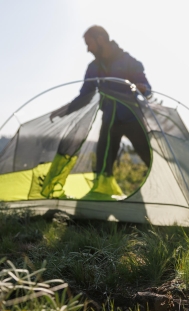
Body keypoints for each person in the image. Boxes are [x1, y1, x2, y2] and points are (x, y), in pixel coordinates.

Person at [50, 25, 151, 198]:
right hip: (109, 120)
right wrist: (65, 110)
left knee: (149, 155)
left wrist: (143, 89)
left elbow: (146, 87)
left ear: (100, 40)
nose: (88, 49)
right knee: (103, 160)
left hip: (131, 118)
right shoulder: (93, 68)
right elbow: (85, 96)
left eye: (89, 43)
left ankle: (167, 190)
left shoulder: (127, 61)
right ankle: (102, 193)